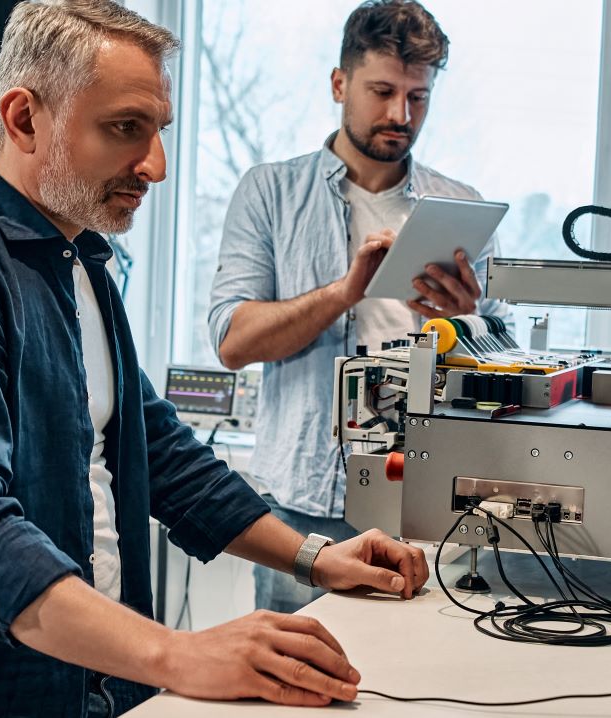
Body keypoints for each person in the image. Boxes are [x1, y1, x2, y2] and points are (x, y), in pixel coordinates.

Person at [0, 2, 427, 716]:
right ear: (24, 118)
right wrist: (182, 653)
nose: (155, 165)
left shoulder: (79, 260)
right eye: (125, 129)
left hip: (91, 688)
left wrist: (312, 557)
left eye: (157, 131)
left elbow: (161, 456)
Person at [208, 0, 503, 613]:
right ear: (340, 84)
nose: (401, 114)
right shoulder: (269, 192)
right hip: (300, 509)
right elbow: (233, 340)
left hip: (422, 507)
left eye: (418, 97)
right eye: (382, 91)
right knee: (293, 691)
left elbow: (506, 370)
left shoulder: (461, 209)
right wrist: (345, 293)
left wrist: (463, 329)